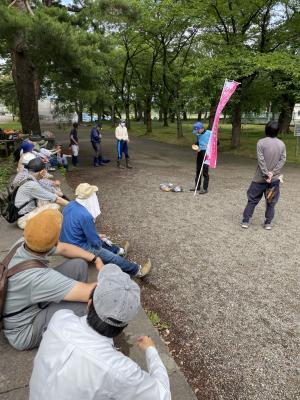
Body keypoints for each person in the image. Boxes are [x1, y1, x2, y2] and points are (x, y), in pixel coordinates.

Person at [29, 263, 171, 400]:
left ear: (89, 303)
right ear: (124, 325)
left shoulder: (60, 319)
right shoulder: (121, 370)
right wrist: (151, 350)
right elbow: (162, 395)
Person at [2, 209, 104, 351]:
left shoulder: (26, 242)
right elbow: (95, 292)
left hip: (30, 300)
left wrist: (94, 257)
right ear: (55, 241)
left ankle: (69, 299)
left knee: (79, 265)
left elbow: (64, 249)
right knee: (87, 306)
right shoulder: (39, 278)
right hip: (25, 331)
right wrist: (107, 274)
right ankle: (81, 337)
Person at [59, 183, 151, 278]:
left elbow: (77, 229)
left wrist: (97, 236)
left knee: (99, 238)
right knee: (110, 256)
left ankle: (119, 250)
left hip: (66, 243)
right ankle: (137, 270)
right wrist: (101, 243)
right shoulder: (85, 215)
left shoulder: (70, 205)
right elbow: (95, 242)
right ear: (90, 197)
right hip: (78, 248)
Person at [241, 121, 286, 230]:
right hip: (274, 180)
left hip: (259, 179)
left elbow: (261, 160)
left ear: (266, 129)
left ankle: (246, 221)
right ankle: (268, 223)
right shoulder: (281, 144)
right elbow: (283, 159)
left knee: (252, 200)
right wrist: (273, 173)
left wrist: (266, 173)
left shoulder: (260, 142)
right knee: (271, 202)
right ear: (278, 131)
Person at [14, 158, 68, 229]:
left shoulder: (28, 176)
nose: (46, 173)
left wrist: (61, 195)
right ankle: (48, 225)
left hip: (21, 212)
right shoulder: (32, 185)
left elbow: (48, 190)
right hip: (24, 219)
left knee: (47, 198)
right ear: (42, 172)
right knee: (55, 206)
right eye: (45, 171)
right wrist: (73, 205)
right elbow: (56, 199)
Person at [190, 121, 211, 194]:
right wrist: (195, 146)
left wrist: (209, 146)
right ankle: (197, 186)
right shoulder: (198, 134)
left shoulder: (209, 133)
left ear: (202, 128)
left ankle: (205, 188)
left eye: (197, 130)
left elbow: (217, 143)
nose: (197, 132)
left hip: (206, 153)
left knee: (205, 171)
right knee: (198, 170)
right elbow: (198, 143)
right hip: (199, 153)